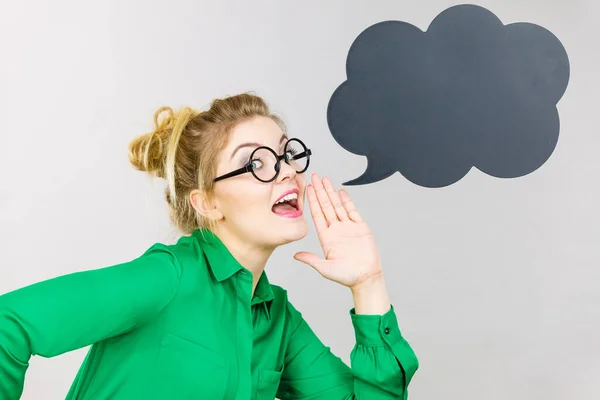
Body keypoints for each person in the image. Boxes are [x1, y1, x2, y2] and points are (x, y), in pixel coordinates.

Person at [0, 93, 419, 399]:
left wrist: (368, 284)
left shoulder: (278, 320)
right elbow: (10, 324)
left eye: (285, 155)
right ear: (208, 202)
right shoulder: (167, 277)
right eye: (256, 163)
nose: (287, 172)